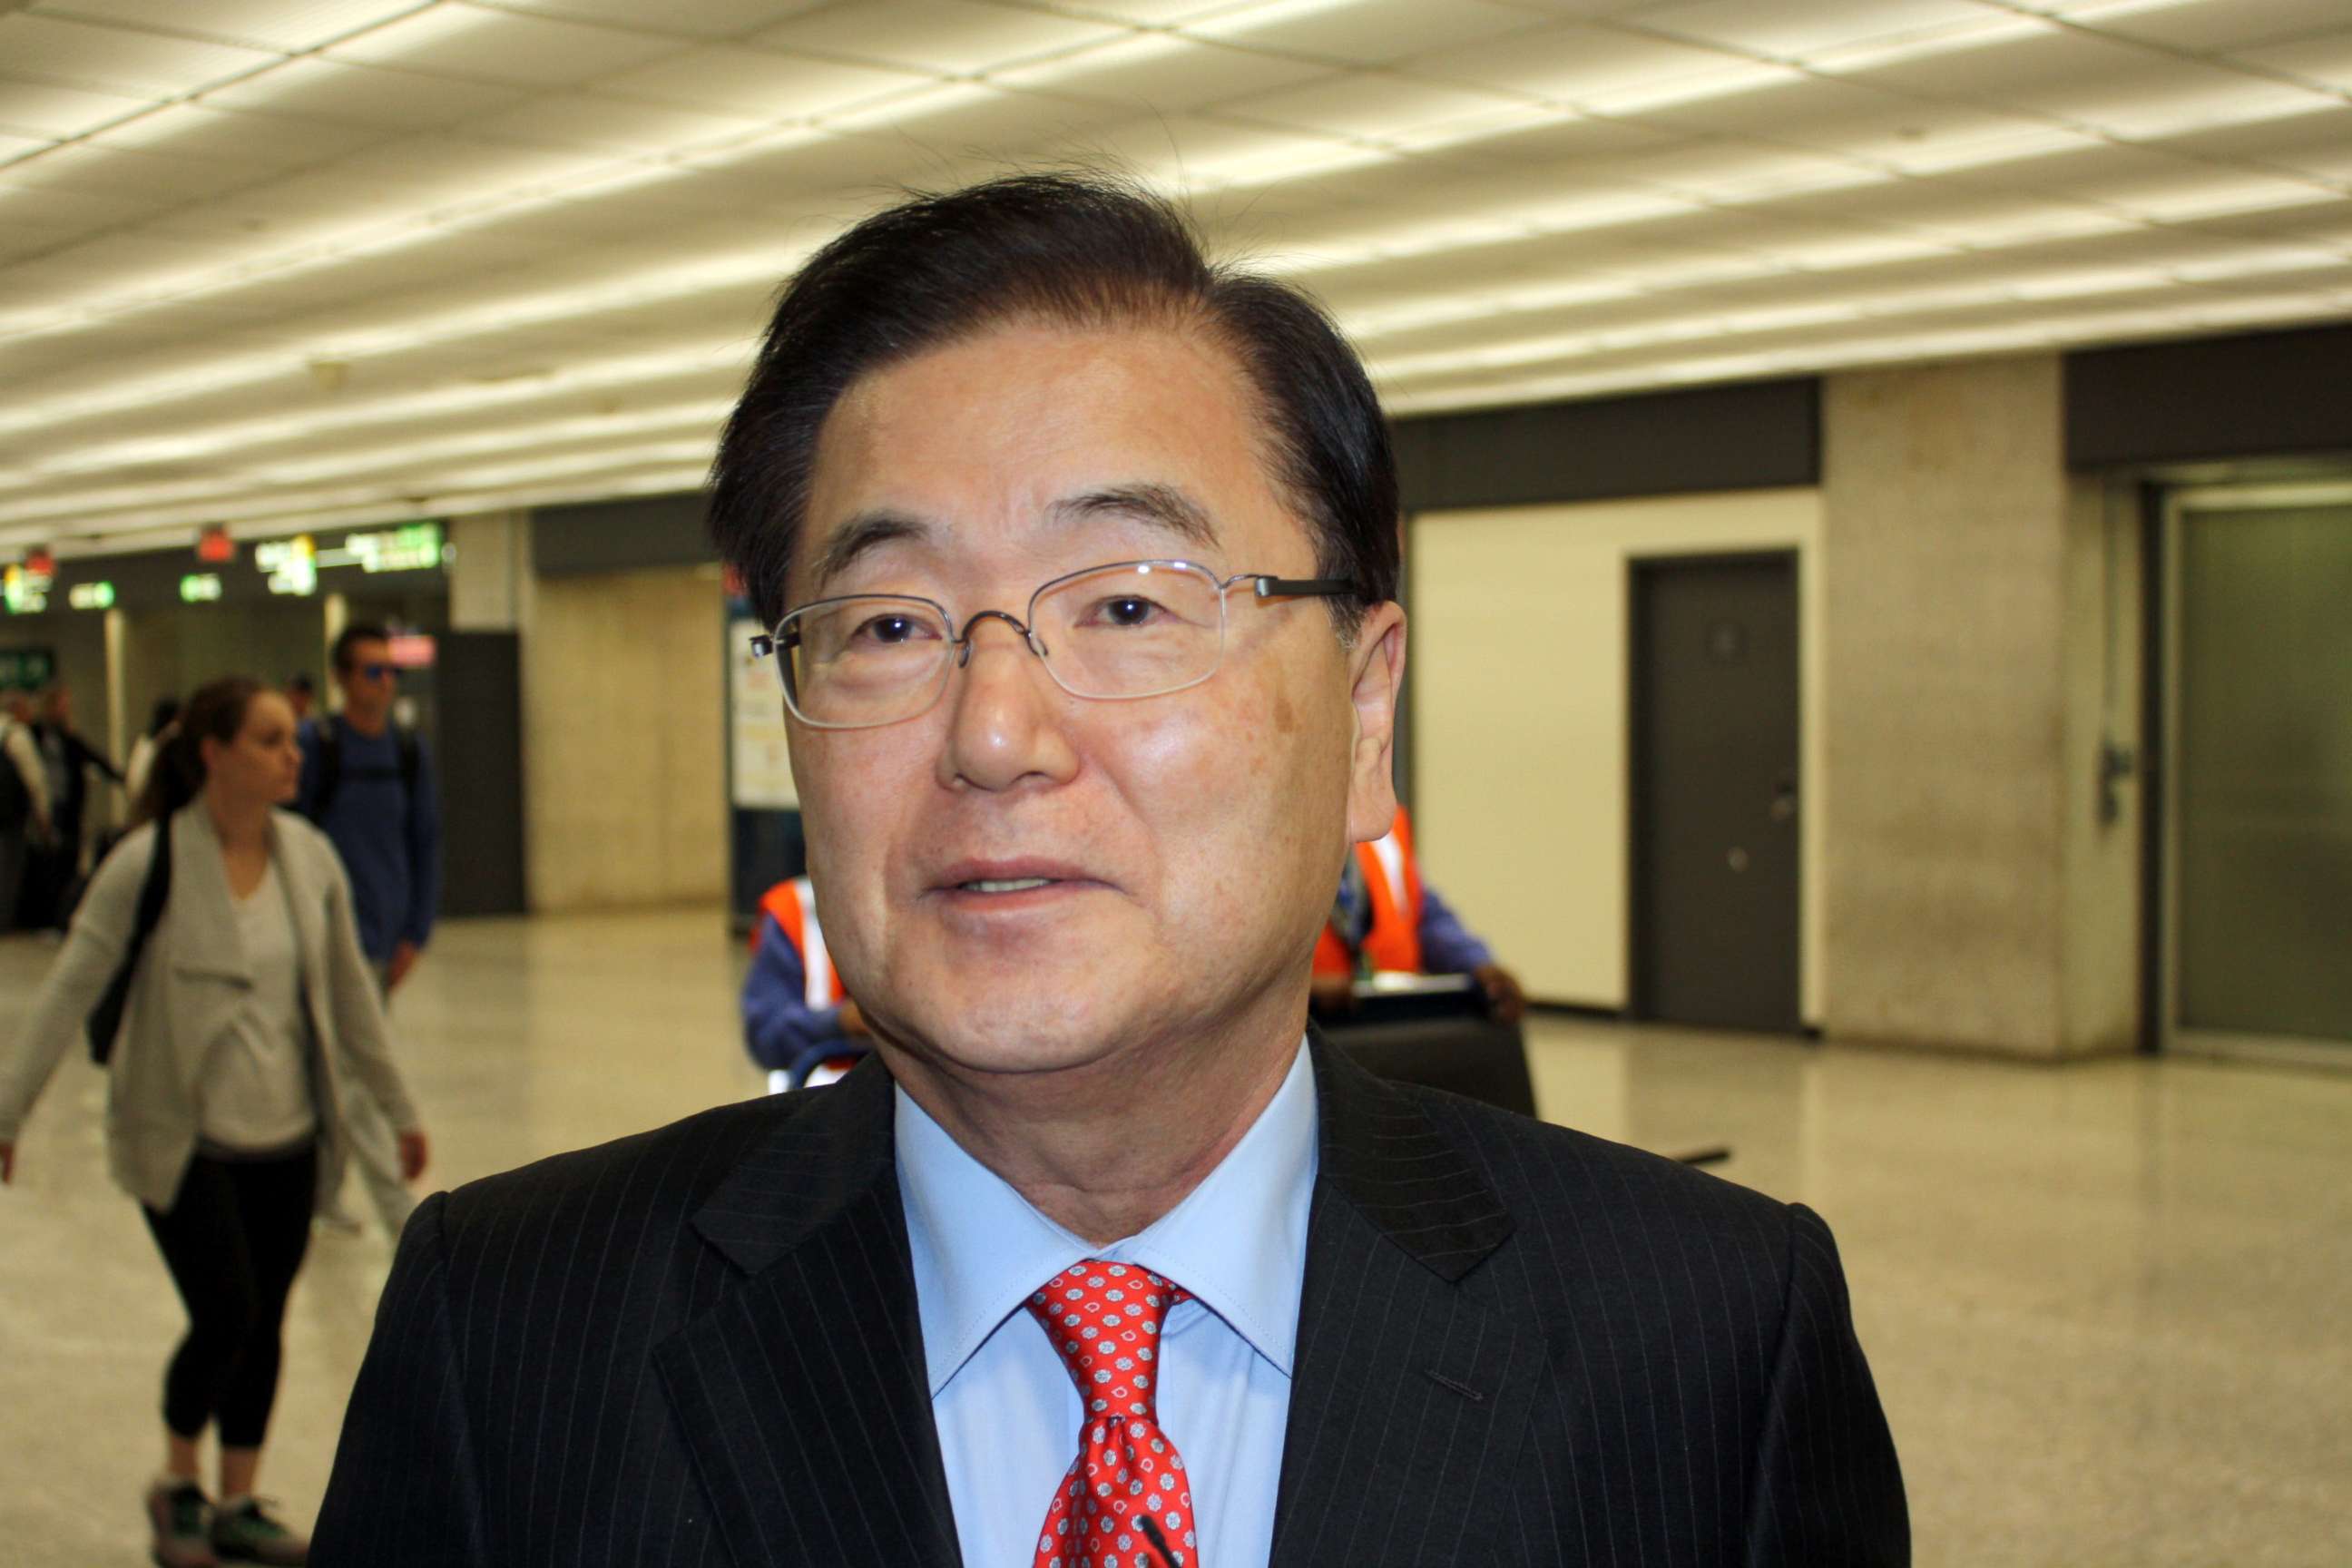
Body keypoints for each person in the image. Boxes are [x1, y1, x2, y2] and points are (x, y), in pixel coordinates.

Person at [314, 173, 1906, 1566]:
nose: (993, 730)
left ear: (1362, 713)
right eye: (885, 624)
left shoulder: (1708, 1346)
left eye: (1129, 605)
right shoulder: (510, 1338)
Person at [0, 676, 429, 1568]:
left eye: (290, 739)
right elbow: (70, 989)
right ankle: (178, 1482)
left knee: (264, 1320)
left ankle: (238, 1499)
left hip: (289, 1137)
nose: (292, 753)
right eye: (270, 739)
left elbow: (352, 1000)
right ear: (214, 754)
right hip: (179, 1135)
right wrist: (8, 1111)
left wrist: (398, 1110)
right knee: (226, 1311)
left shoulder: (308, 859)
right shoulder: (146, 861)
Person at [297, 624, 439, 1238]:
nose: (383, 684)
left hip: (385, 938)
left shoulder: (408, 753)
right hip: (328, 943)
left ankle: (323, 1193)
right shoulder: (315, 747)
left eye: (392, 672)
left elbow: (426, 843)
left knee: (344, 1073)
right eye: (371, 671)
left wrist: (416, 932)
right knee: (356, 1077)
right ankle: (395, 1215)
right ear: (341, 677)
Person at [1308, 804, 1528, 1024]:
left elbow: (1421, 914)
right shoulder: (1284, 824)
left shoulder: (1385, 818)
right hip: (1310, 1030)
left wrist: (1477, 965)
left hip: (1392, 1019)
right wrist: (1300, 991)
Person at [741, 872, 871, 1086]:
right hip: (825, 1103)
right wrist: (843, 1021)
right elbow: (766, 1037)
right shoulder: (793, 908)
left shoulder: (928, 904)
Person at [22, 681, 125, 929]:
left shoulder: (67, 738)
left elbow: (93, 757)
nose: (66, 709)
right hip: (43, 808)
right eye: (62, 704)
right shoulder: (33, 735)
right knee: (48, 863)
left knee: (67, 860)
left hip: (68, 808)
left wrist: (124, 778)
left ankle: (60, 916)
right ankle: (47, 916)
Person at [0, 691, 54, 928]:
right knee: (8, 868)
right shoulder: (16, 735)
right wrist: (44, 817)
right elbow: (35, 780)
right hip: (7, 817)